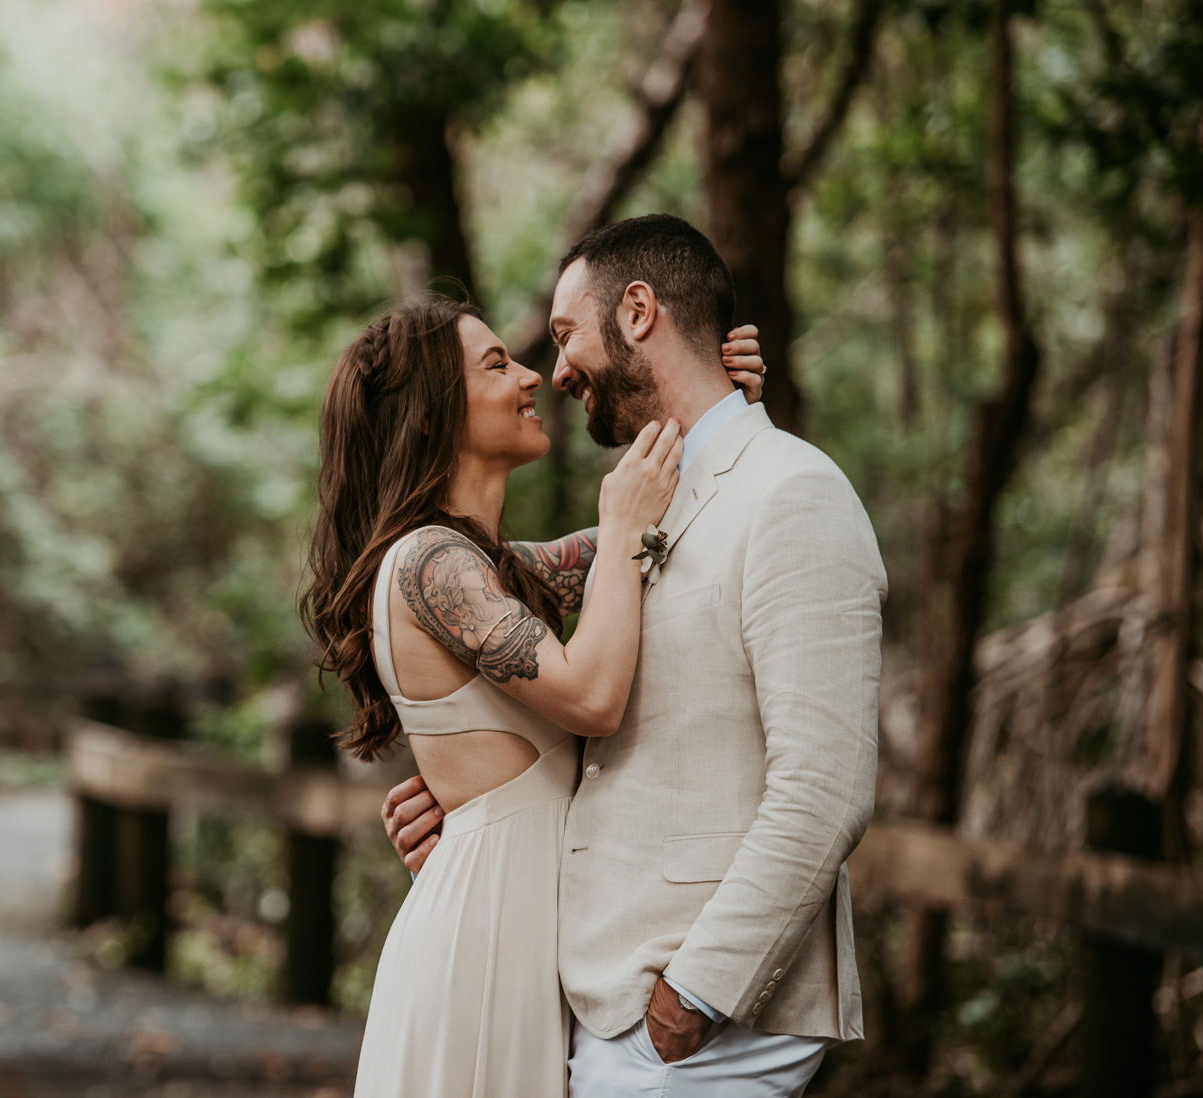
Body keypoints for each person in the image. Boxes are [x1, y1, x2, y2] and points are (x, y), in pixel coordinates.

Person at [379, 214, 888, 1097]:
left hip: (694, 1024)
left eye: (567, 334)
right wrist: (472, 801)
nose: (557, 368)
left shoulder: (792, 492)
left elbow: (826, 787)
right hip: (594, 1007)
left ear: (641, 310)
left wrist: (695, 996)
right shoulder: (641, 513)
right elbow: (504, 610)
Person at [302, 273, 765, 1096]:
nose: (528, 378)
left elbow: (668, 512)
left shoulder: (498, 568)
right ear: (436, 411)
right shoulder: (429, 563)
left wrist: (715, 405)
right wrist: (626, 526)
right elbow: (591, 695)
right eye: (494, 366)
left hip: (525, 927)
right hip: (484, 938)